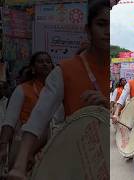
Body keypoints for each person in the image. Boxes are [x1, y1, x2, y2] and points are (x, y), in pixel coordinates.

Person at [6, 1, 109, 179]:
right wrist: (20, 166)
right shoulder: (64, 71)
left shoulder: (123, 74)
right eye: (101, 24)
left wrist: (108, 107)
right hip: (76, 163)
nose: (108, 31)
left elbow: (131, 125)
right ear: (88, 30)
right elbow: (37, 121)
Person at [0, 52, 62, 170]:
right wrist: (3, 146)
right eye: (40, 61)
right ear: (33, 68)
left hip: (53, 146)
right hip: (24, 145)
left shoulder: (59, 93)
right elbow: (9, 121)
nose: (45, 64)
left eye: (48, 62)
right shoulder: (22, 89)